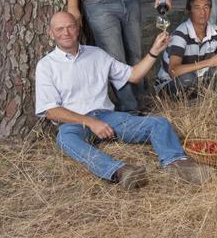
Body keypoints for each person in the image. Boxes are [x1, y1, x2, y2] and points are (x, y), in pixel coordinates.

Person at [35, 12, 207, 189]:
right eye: (59, 29)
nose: (66, 32)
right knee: (64, 138)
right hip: (75, 124)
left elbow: (133, 75)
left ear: (78, 28)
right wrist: (90, 122)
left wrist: (154, 51)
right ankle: (121, 172)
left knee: (159, 123)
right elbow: (51, 111)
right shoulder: (46, 65)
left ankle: (177, 164)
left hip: (107, 118)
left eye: (70, 27)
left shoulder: (97, 54)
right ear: (51, 33)